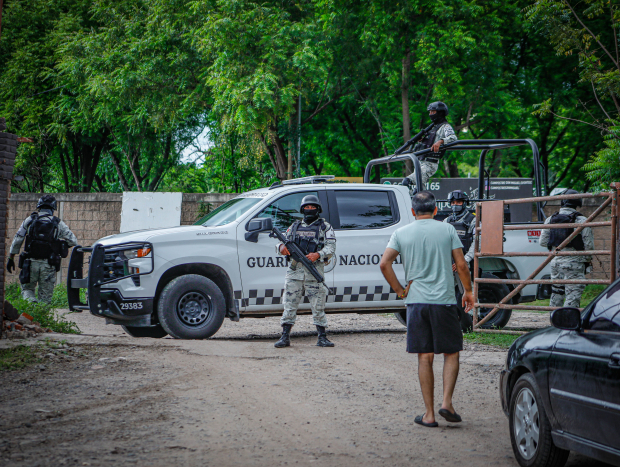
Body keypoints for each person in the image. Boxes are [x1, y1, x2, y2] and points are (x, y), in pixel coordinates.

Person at [379, 191, 474, 427]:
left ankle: (429, 414)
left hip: (416, 302)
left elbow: (384, 263)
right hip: (444, 300)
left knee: (425, 356)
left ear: (413, 212)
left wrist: (400, 290)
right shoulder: (447, 229)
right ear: (435, 210)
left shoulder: (401, 233)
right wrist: (468, 291)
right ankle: (447, 403)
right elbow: (461, 264)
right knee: (451, 352)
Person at [274, 195, 337, 348]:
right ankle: (285, 337)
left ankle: (322, 337)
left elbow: (331, 247)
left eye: (312, 207)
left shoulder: (325, 227)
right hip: (294, 271)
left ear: (318, 209)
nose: (310, 210)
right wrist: (281, 248)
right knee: (289, 304)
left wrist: (318, 254)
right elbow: (281, 244)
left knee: (318, 305)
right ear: (302, 209)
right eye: (307, 207)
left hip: (314, 271)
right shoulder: (294, 226)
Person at [7, 195, 77, 303]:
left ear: (39, 207)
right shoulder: (58, 223)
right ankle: (41, 318)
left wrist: (11, 258)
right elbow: (73, 241)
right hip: (48, 265)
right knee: (45, 299)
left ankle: (31, 309)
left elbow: (17, 239)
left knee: (27, 290)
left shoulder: (30, 220)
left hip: (30, 263)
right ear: (53, 208)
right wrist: (59, 244)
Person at [540, 189, 594, 308]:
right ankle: (568, 324)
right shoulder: (582, 220)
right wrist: (586, 260)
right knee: (572, 295)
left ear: (562, 201)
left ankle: (554, 323)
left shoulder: (550, 219)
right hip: (574, 262)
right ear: (578, 202)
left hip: (556, 262)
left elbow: (543, 242)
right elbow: (589, 246)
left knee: (557, 293)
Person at [404, 101, 457, 191]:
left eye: (433, 112)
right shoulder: (433, 127)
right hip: (421, 162)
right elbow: (429, 141)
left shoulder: (445, 127)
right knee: (419, 191)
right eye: (430, 112)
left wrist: (441, 141)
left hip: (430, 164)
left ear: (440, 113)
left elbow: (453, 138)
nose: (430, 114)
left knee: (407, 183)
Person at [443, 190, 476, 271]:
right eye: (453, 203)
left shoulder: (473, 220)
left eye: (458, 202)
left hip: (466, 263)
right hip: (449, 264)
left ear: (464, 203)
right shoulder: (446, 221)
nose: (455, 205)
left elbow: (478, 242)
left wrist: (465, 260)